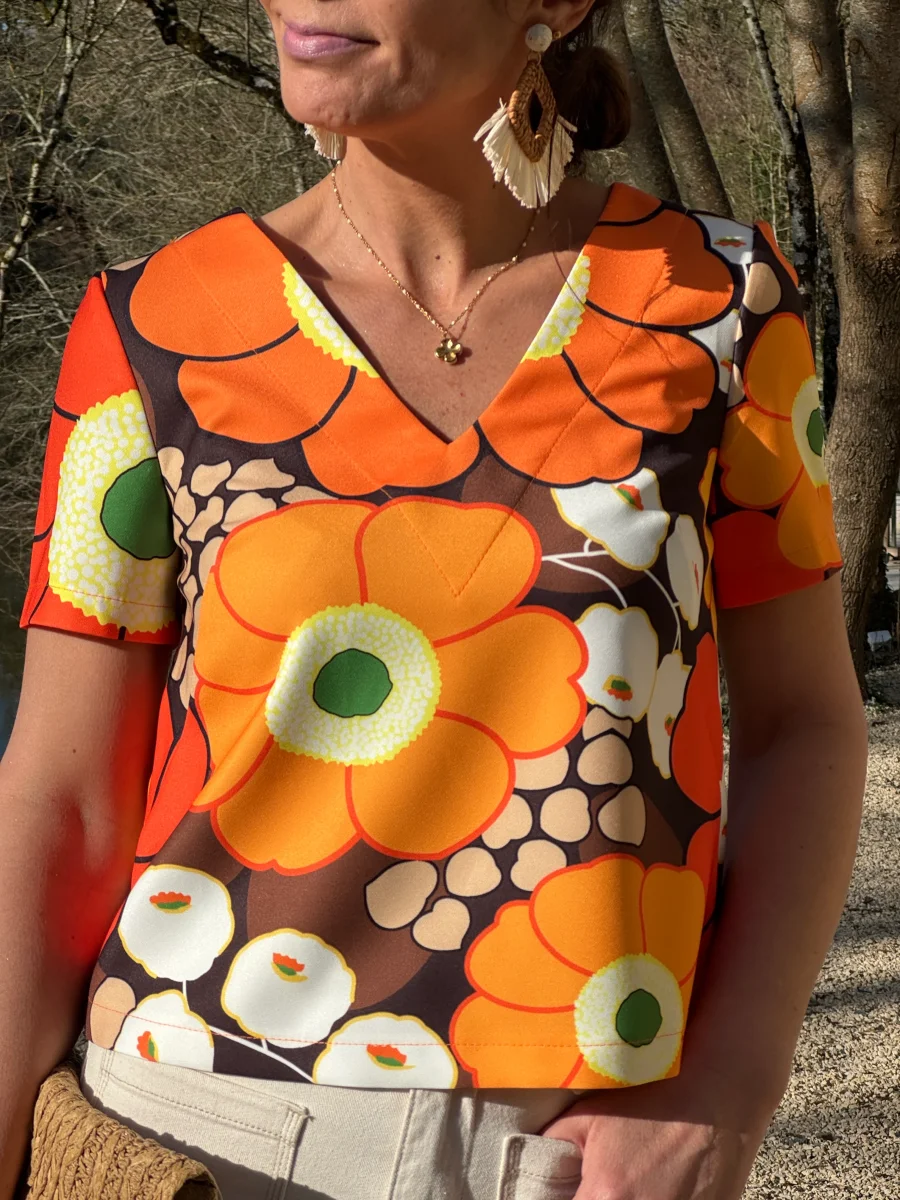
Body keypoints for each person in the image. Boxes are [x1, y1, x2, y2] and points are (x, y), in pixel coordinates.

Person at [0, 1, 868, 1197]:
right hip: (191, 1128)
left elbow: (805, 726)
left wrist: (728, 1085)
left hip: (569, 1154)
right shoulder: (147, 329)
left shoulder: (720, 304)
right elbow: (62, 796)